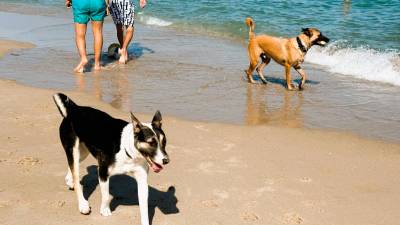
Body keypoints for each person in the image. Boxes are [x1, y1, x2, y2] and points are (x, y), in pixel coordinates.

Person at [66, 0, 107, 72]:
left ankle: (83, 58)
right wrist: (107, 4)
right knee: (98, 32)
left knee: (80, 35)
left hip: (81, 3)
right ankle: (97, 64)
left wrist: (68, 1)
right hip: (97, 3)